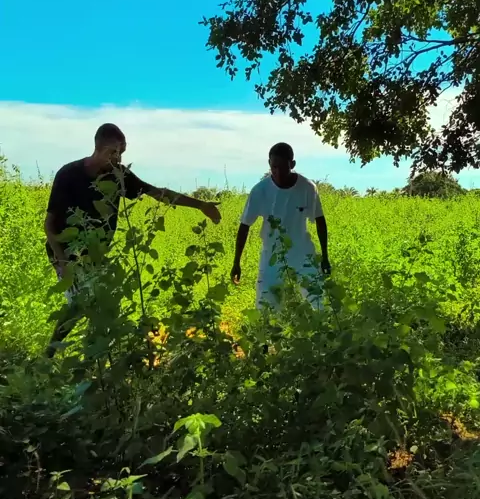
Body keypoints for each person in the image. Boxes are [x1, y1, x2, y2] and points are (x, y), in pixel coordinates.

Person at [45, 123, 221, 357]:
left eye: (122, 153)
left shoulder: (119, 176)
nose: (118, 158)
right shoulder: (68, 174)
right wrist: (62, 261)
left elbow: (156, 193)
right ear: (99, 148)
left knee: (98, 305)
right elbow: (49, 224)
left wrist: (200, 205)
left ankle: (90, 359)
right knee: (81, 305)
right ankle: (52, 357)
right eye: (114, 152)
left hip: (96, 253)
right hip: (67, 253)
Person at [230, 143, 330, 309]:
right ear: (269, 164)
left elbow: (320, 221)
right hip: (272, 255)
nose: (278, 172)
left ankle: (323, 324)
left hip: (303, 253)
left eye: (283, 167)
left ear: (292, 164)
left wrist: (325, 256)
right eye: (274, 167)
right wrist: (236, 262)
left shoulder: (308, 188)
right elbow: (244, 226)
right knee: (266, 305)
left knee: (318, 301)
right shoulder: (260, 191)